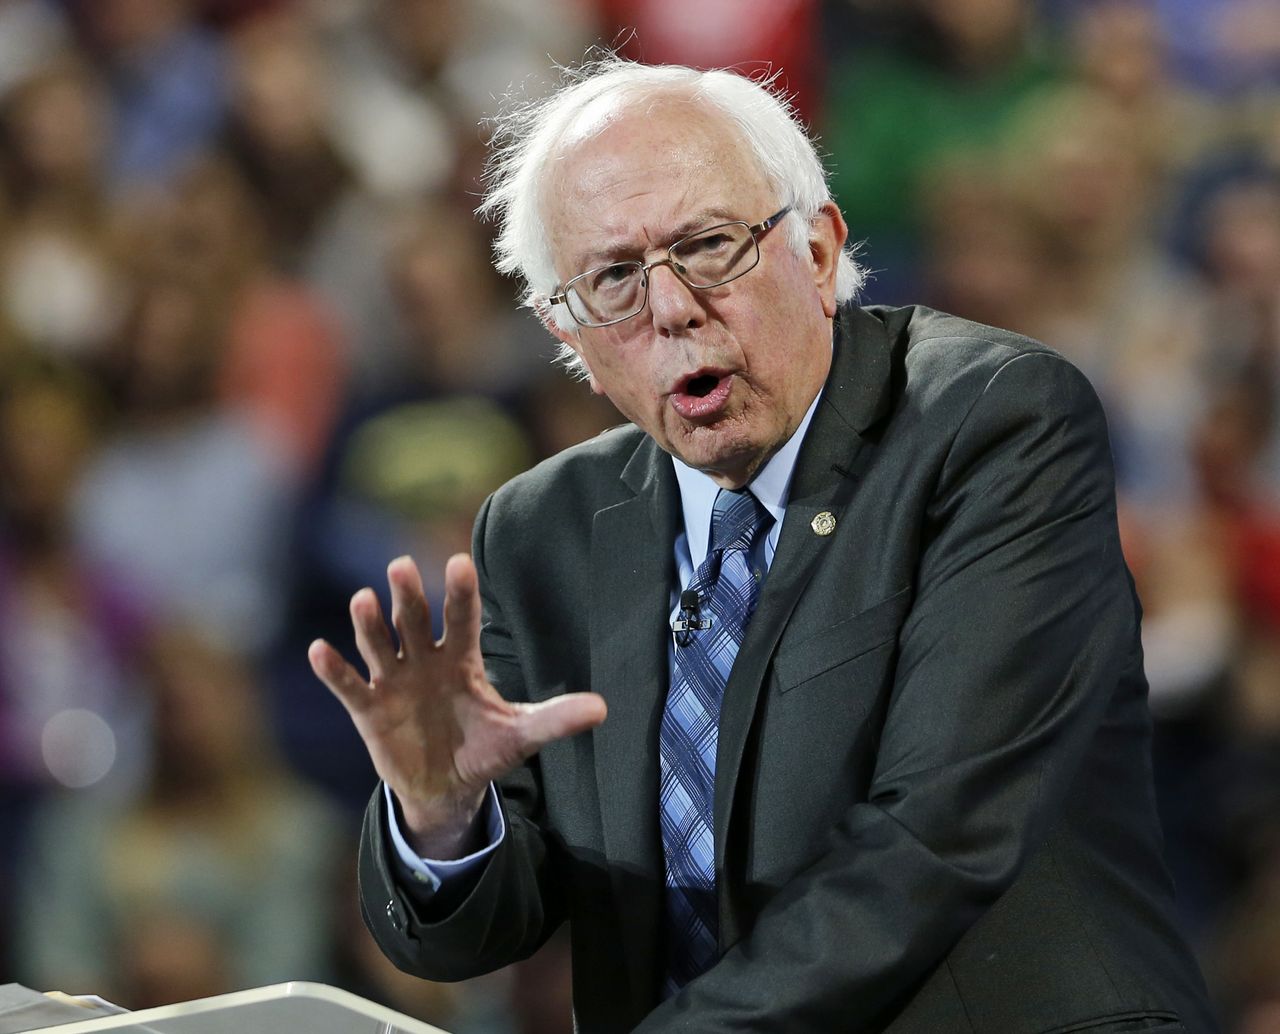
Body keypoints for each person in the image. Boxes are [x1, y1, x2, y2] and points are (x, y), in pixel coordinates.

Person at [309, 58, 1219, 1033]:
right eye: (613, 277)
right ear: (566, 332)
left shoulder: (988, 424)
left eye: (706, 246)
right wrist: (442, 816)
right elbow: (469, 934)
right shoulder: (544, 529)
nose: (669, 307)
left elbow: (937, 836)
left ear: (819, 251)